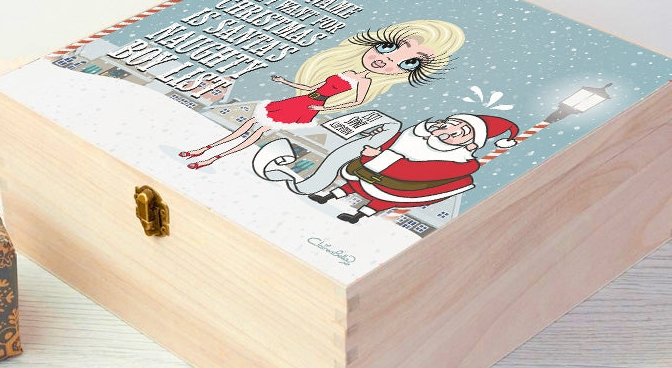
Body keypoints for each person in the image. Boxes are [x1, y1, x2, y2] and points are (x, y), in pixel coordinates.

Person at [178, 19, 465, 168]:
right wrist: (285, 81)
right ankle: (205, 149)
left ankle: (212, 157)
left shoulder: (363, 81)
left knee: (257, 131)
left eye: (409, 62)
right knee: (251, 123)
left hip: (309, 108)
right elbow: (312, 88)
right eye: (389, 46)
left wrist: (323, 109)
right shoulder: (344, 69)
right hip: (299, 100)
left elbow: (356, 101)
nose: (387, 59)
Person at [309, 114, 519, 223]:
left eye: (460, 133)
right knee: (355, 181)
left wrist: (377, 156)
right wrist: (377, 148)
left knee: (381, 198)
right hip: (373, 167)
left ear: (471, 145)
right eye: (451, 124)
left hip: (403, 186)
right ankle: (328, 196)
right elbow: (391, 143)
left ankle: (358, 215)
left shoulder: (459, 161)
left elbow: (414, 172)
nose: (448, 131)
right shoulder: (414, 136)